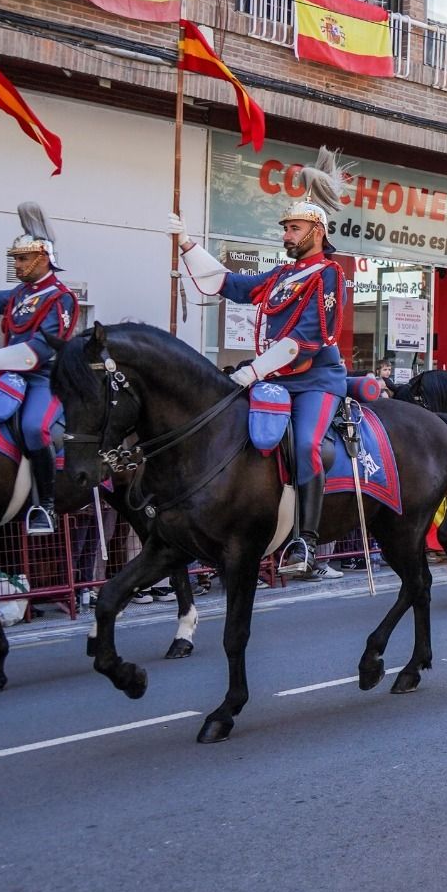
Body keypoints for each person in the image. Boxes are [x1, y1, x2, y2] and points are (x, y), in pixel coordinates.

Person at [172, 149, 350, 579]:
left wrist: (250, 371)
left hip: (316, 381)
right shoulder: (278, 277)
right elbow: (226, 283)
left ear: (317, 230)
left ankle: (306, 542)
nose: (286, 235)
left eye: (294, 228)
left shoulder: (329, 274)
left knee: (306, 445)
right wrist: (187, 245)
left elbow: (305, 340)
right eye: (285, 229)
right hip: (273, 378)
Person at [0, 205, 80, 535]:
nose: (17, 264)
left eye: (23, 259)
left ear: (43, 257)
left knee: (33, 429)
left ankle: (46, 506)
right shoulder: (20, 294)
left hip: (43, 379)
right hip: (7, 376)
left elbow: (38, 352)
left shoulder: (61, 298)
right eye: (16, 258)